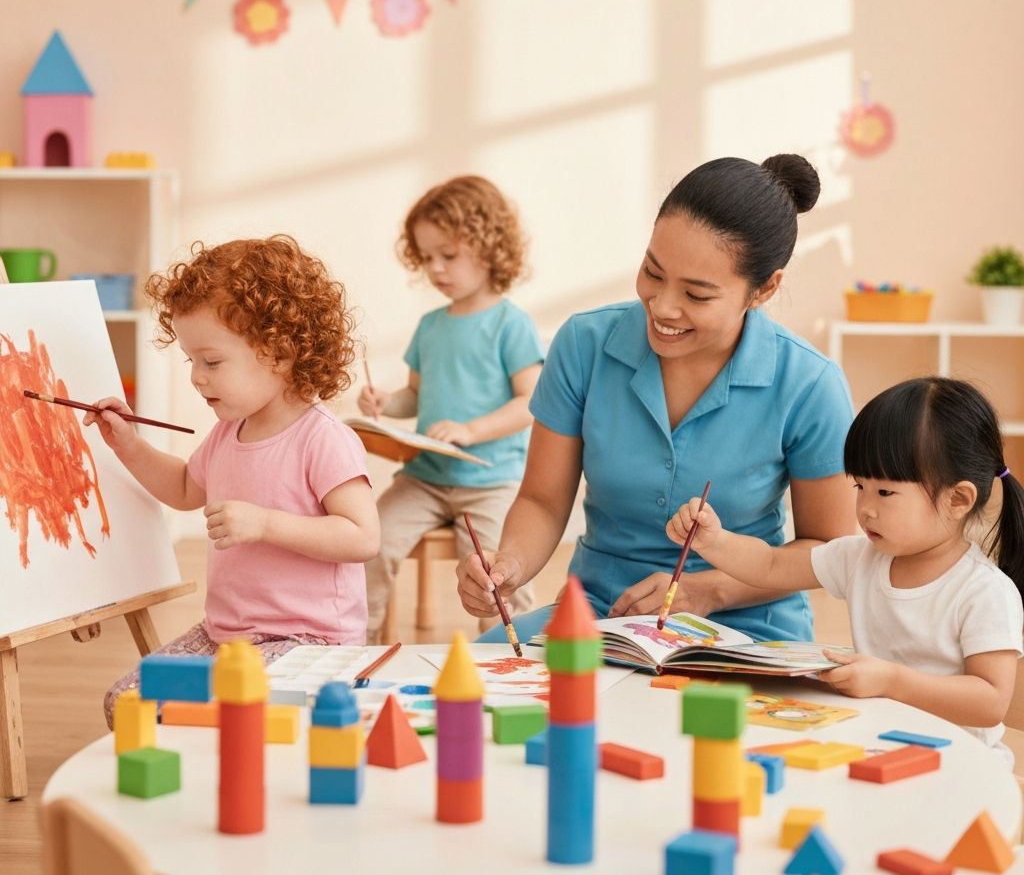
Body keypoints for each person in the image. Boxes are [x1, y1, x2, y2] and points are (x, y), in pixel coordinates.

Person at [457, 154, 857, 644]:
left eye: (697, 295)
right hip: (599, 614)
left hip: (748, 626)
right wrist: (508, 566)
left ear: (764, 288)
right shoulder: (584, 344)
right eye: (653, 271)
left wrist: (708, 591)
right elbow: (542, 499)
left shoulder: (809, 383)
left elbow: (828, 549)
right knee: (478, 685)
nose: (663, 307)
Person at [96, 235, 380, 727]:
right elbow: (186, 489)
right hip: (226, 635)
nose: (196, 378)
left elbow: (362, 537)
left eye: (212, 362)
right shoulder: (230, 430)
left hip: (307, 641)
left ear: (280, 353)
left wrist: (266, 524)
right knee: (129, 704)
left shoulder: (323, 438)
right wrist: (128, 444)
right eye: (192, 362)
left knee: (226, 713)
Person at [670, 376, 1024, 759]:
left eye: (885, 492)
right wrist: (715, 541)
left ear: (957, 499)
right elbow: (771, 565)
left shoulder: (984, 591)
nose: (866, 508)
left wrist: (890, 680)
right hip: (879, 746)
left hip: (962, 762)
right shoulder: (860, 558)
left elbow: (990, 701)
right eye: (859, 487)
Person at [358, 175, 545, 643]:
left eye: (448, 255)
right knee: (368, 541)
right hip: (425, 479)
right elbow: (415, 396)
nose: (435, 269)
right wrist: (386, 402)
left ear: (488, 248)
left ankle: (514, 650)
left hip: (490, 482)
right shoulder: (430, 326)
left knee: (496, 573)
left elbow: (532, 401)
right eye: (426, 258)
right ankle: (352, 644)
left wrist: (471, 429)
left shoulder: (509, 324)